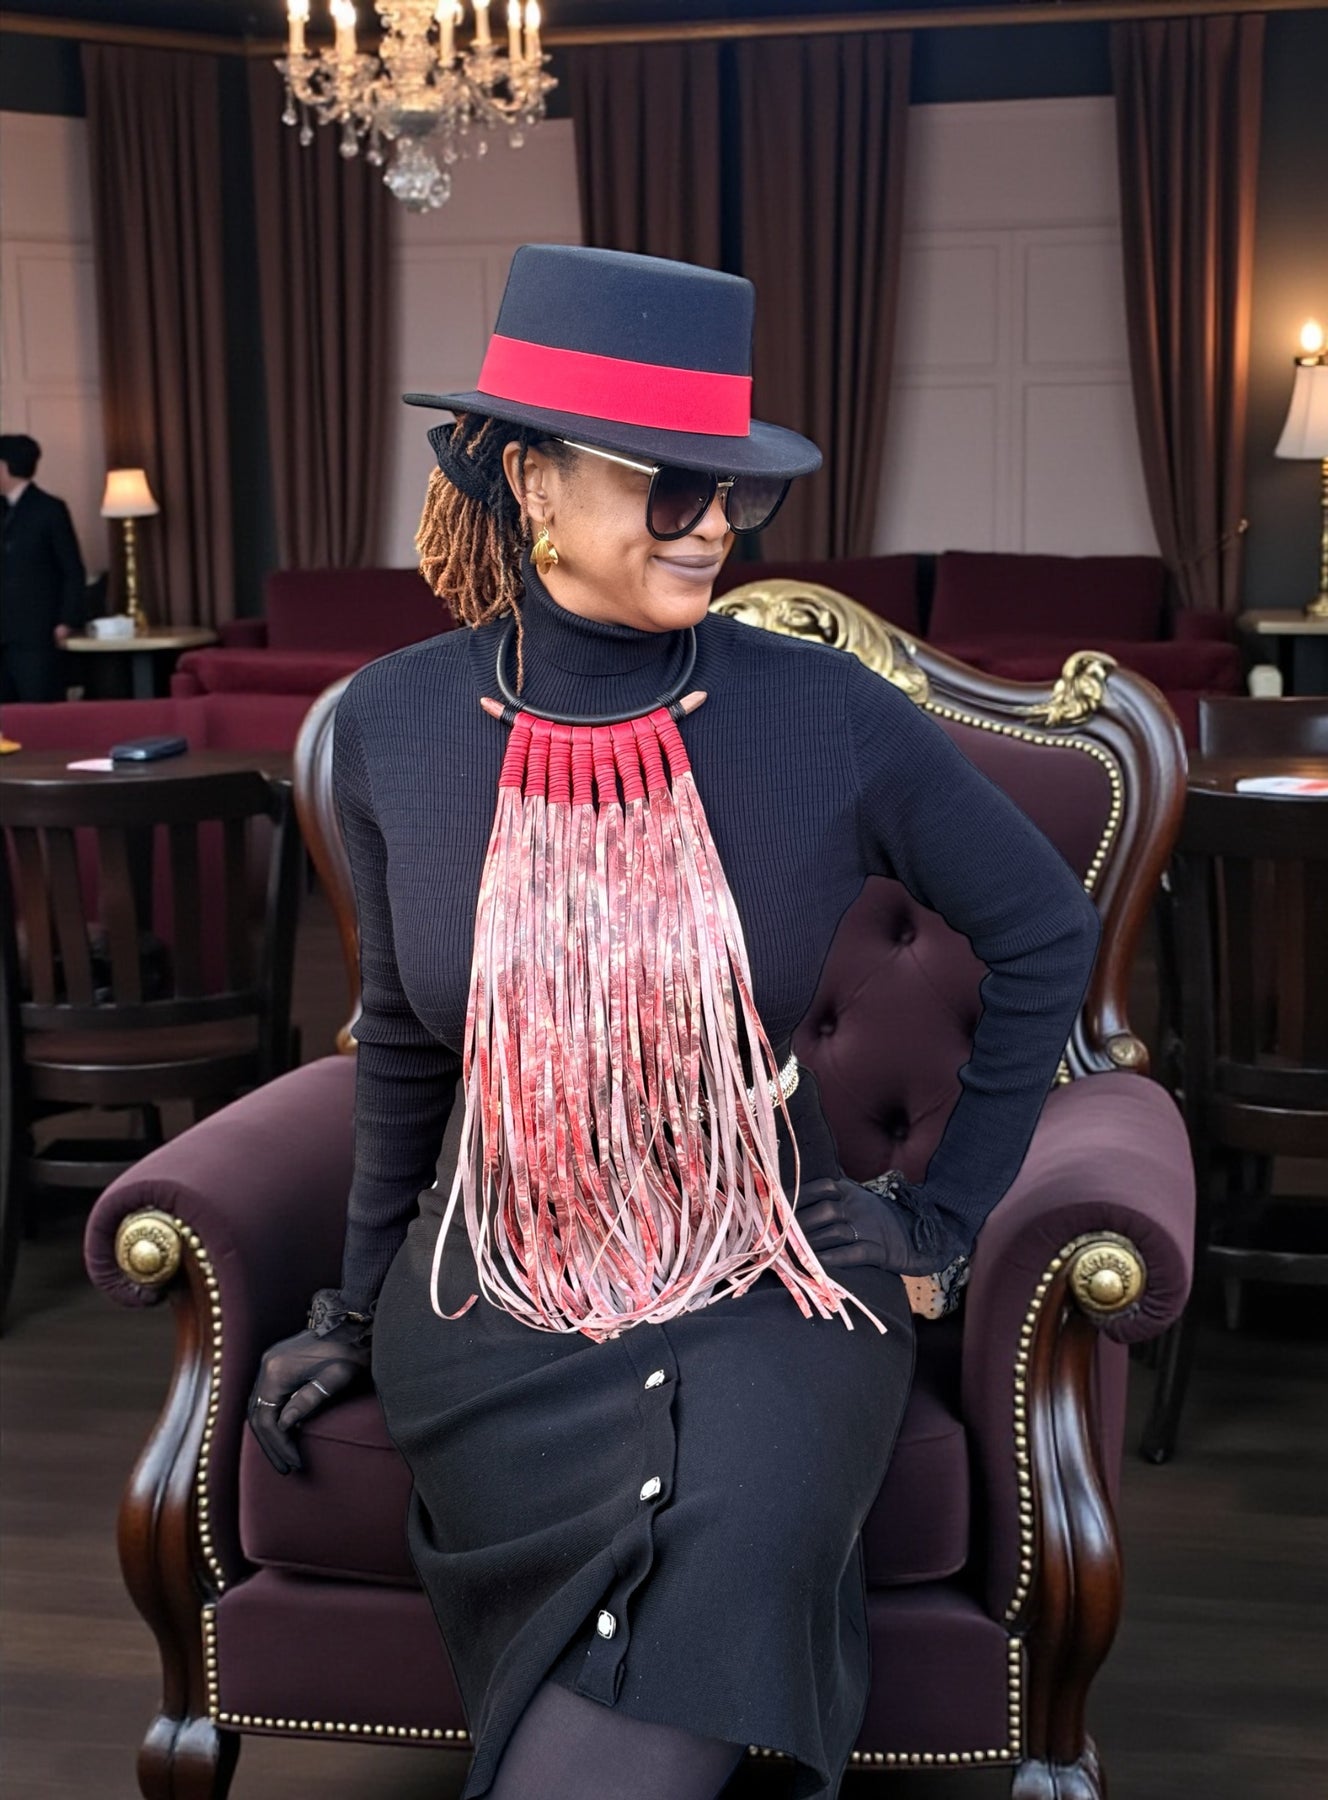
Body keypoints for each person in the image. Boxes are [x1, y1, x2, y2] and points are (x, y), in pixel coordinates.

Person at [247, 246, 1101, 1800]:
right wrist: (356, 1312)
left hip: (769, 1270)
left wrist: (936, 1218)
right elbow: (403, 1049)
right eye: (671, 487)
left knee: (739, 1519)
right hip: (496, 1287)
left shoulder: (823, 714)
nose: (713, 526)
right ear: (530, 479)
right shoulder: (388, 726)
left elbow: (1046, 929)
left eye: (736, 492)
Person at [0, 433, 87, 703]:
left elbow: (72, 570)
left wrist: (66, 621)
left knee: (39, 709)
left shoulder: (49, 509)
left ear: (4, 467)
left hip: (36, 634)